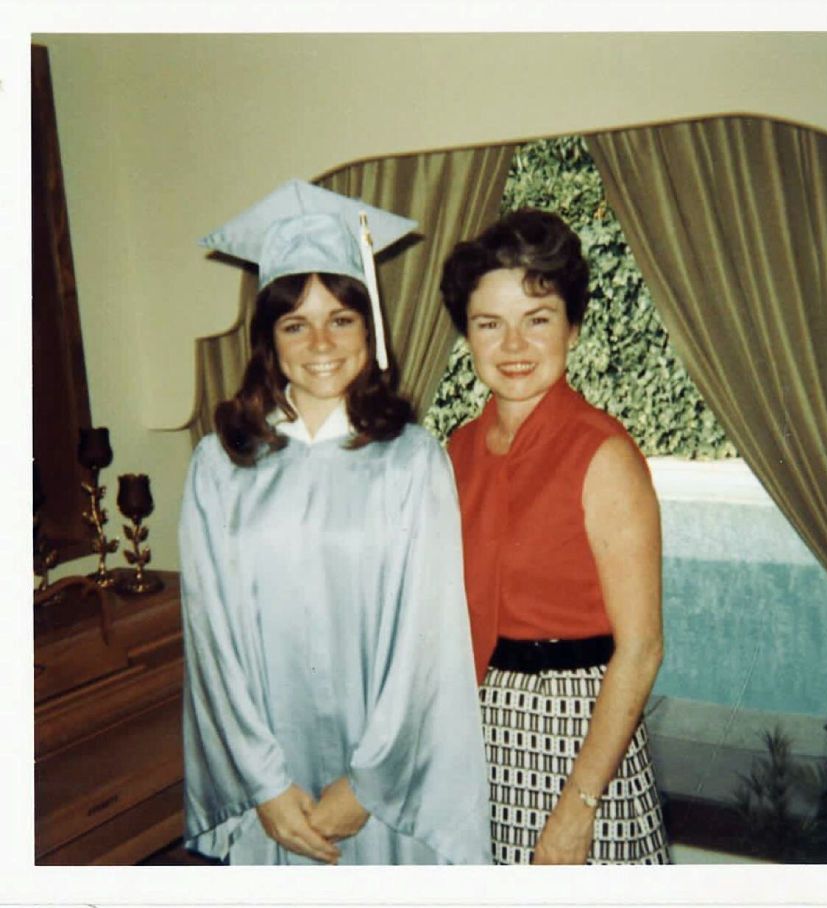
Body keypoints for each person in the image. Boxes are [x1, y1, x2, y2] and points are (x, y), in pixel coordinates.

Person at [179, 180, 491, 865]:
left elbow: (427, 642)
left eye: (341, 318)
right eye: (295, 323)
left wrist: (368, 783)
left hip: (383, 793)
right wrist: (264, 784)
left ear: (369, 330)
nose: (320, 341)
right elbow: (212, 641)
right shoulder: (220, 467)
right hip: (274, 794)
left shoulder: (412, 462)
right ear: (269, 340)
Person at [440, 208, 670, 865]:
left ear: (571, 326)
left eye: (536, 319)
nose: (513, 346)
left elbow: (643, 647)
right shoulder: (453, 452)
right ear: (468, 335)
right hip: (480, 730)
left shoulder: (603, 454)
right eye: (490, 324)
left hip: (578, 734)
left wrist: (579, 807)